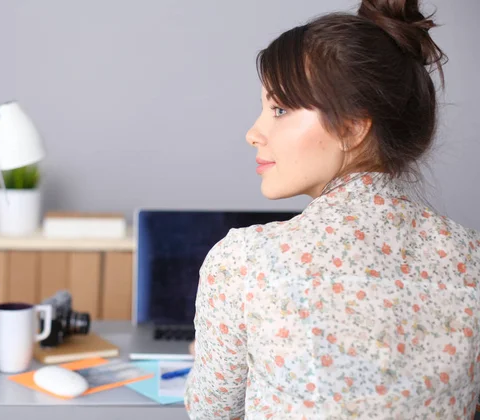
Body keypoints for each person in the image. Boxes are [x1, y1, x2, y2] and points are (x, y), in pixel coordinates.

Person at [184, 0, 480, 418]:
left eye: (280, 109)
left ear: (352, 128)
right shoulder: (471, 259)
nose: (254, 132)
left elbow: (212, 412)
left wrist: (213, 357)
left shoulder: (246, 263)